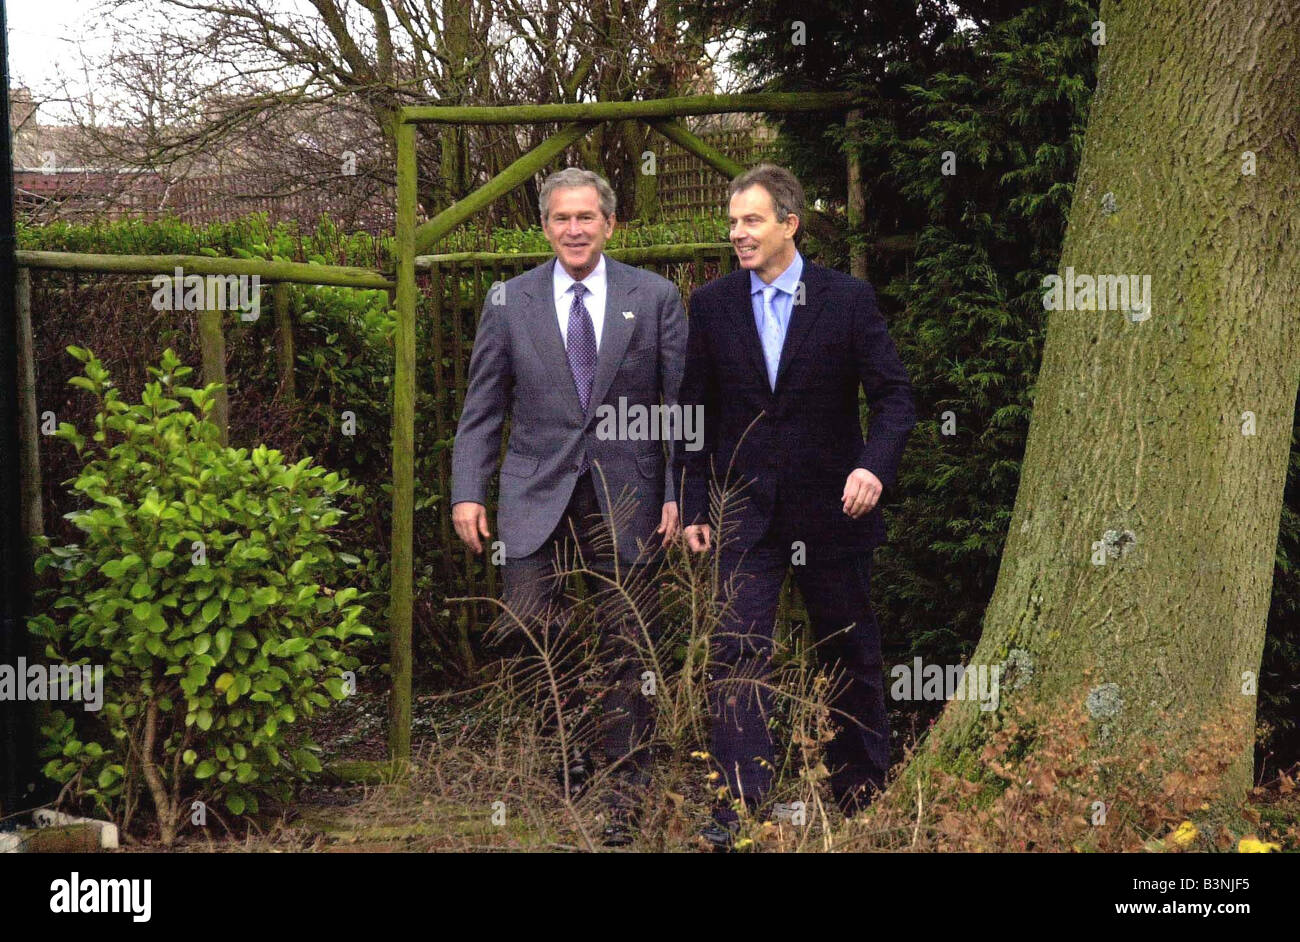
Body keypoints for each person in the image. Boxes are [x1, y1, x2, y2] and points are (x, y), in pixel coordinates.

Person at [676, 163, 917, 848]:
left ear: (790, 222)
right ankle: (740, 805)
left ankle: (862, 793)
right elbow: (695, 412)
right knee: (736, 652)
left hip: (834, 511)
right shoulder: (713, 304)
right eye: (732, 223)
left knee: (849, 651)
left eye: (751, 220)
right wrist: (695, 502)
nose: (737, 234)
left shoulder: (846, 300)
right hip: (742, 512)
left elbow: (896, 399)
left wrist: (874, 466)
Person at [450, 168, 686, 845]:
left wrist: (675, 492)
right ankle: (567, 753)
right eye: (561, 218)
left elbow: (678, 409)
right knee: (528, 626)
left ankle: (629, 783)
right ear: (546, 227)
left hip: (630, 492)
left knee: (628, 641)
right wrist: (468, 490)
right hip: (533, 489)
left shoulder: (657, 296)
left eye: (587, 217)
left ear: (610, 224)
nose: (574, 229)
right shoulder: (509, 300)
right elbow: (483, 406)